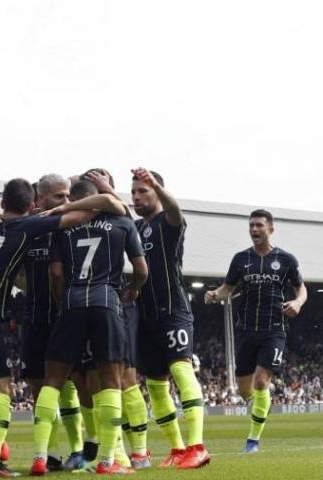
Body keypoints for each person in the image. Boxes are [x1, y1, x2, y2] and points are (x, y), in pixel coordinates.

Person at [0, 178, 126, 477]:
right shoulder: (31, 225)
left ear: (3, 204)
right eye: (58, 196)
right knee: (2, 389)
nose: (63, 199)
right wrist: (103, 196)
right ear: (33, 204)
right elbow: (92, 212)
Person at [32, 179, 147, 476]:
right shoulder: (122, 222)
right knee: (111, 381)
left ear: (78, 200)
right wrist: (132, 288)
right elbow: (142, 270)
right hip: (106, 302)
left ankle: (40, 457)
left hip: (71, 301)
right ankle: (108, 461)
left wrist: (62, 303)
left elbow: (56, 274)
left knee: (54, 379)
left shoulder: (64, 227)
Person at [204, 209, 306, 453]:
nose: (254, 230)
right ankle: (262, 404)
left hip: (274, 330)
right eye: (251, 226)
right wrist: (215, 294)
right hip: (246, 330)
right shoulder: (240, 259)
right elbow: (227, 289)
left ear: (270, 229)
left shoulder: (286, 260)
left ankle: (252, 441)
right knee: (244, 390)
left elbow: (302, 289)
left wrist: (298, 302)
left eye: (259, 225)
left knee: (261, 382)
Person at [130, 167, 210, 469]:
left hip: (173, 311)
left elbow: (175, 209)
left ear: (158, 192)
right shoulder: (135, 227)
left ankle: (197, 447)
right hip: (145, 315)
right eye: (134, 192)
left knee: (181, 369)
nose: (137, 197)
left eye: (144, 191)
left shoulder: (169, 221)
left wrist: (159, 188)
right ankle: (177, 449)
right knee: (155, 385)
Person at [18, 174, 84, 472]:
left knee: (71, 386)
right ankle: (51, 453)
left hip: (66, 318)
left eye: (68, 196)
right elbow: (14, 273)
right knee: (37, 389)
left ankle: (79, 449)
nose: (66, 202)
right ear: (39, 199)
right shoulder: (26, 230)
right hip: (34, 320)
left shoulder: (70, 227)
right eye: (59, 197)